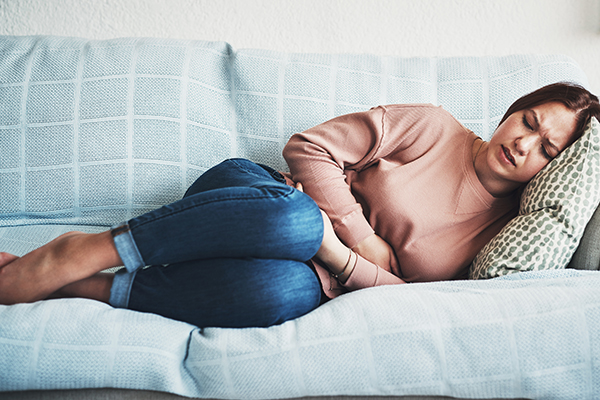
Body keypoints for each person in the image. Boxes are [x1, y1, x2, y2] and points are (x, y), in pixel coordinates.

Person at [0, 82, 598, 328]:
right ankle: (82, 250)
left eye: (547, 150)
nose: (522, 144)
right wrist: (360, 239)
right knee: (293, 218)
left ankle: (88, 289)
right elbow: (309, 149)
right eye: (527, 121)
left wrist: (336, 258)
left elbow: (415, 298)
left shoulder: (501, 238)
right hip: (253, 197)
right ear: (513, 109)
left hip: (313, 275)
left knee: (279, 296)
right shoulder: (434, 128)